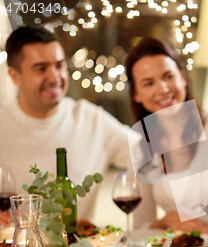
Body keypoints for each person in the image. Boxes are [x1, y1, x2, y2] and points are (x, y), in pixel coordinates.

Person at [125, 37, 208, 247]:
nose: (163, 89)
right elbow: (142, 226)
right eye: (149, 83)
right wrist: (167, 222)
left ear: (183, 78)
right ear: (136, 95)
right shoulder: (140, 148)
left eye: (168, 76)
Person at [0, 26, 139, 222]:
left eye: (59, 65)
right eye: (41, 68)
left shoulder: (90, 119)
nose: (55, 77)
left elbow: (148, 156)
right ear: (15, 76)